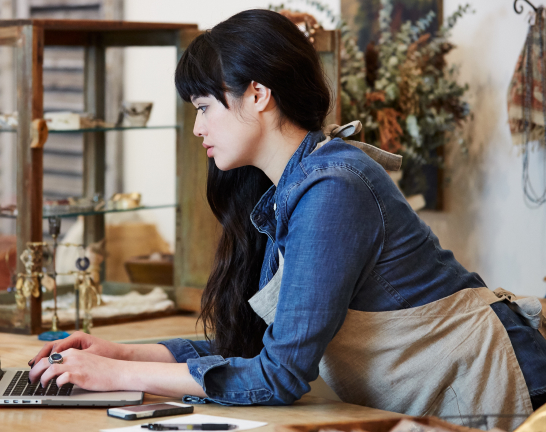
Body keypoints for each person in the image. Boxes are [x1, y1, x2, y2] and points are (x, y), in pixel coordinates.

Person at [28, 9, 546, 427]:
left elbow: (277, 377)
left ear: (257, 94)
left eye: (204, 106)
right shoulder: (290, 189)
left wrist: (110, 373)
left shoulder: (333, 188)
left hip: (496, 389)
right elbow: (253, 351)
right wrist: (121, 353)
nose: (196, 127)